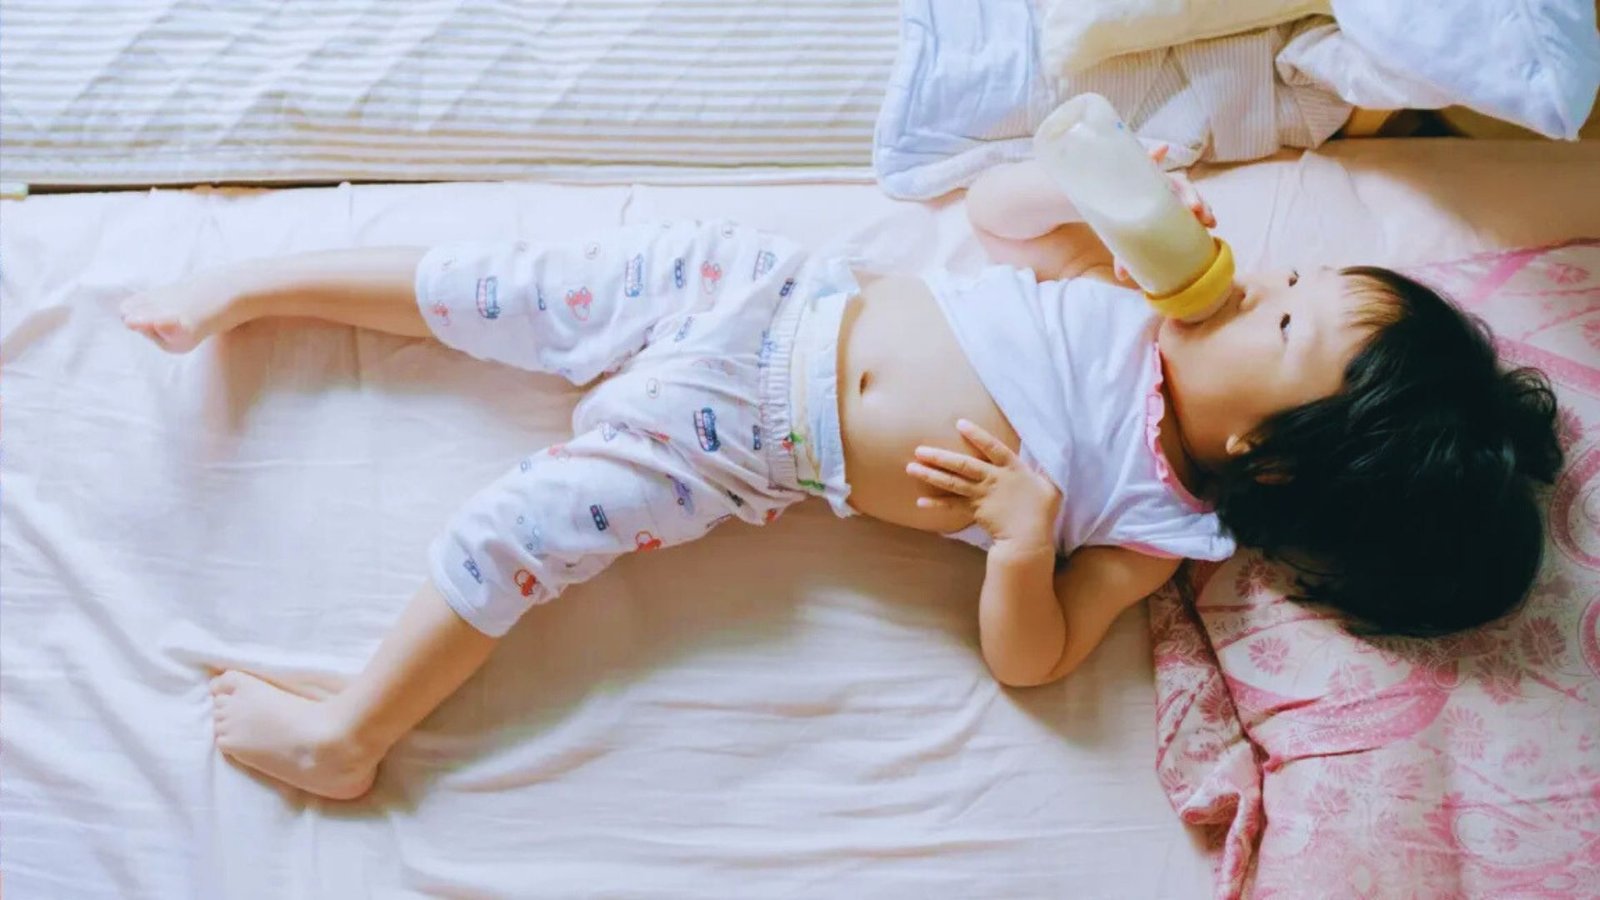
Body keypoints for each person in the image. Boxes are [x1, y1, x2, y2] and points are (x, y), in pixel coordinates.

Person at [119, 159, 1562, 801]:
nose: (1268, 284)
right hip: (761, 289)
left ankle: (351, 734)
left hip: (746, 440)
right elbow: (995, 221)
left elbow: (1040, 663)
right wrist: (1091, 202)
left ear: (1276, 455)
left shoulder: (1159, 520)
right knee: (514, 283)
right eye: (1297, 280)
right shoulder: (1147, 301)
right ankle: (264, 282)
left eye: (1291, 322)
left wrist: (1020, 536)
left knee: (521, 537)